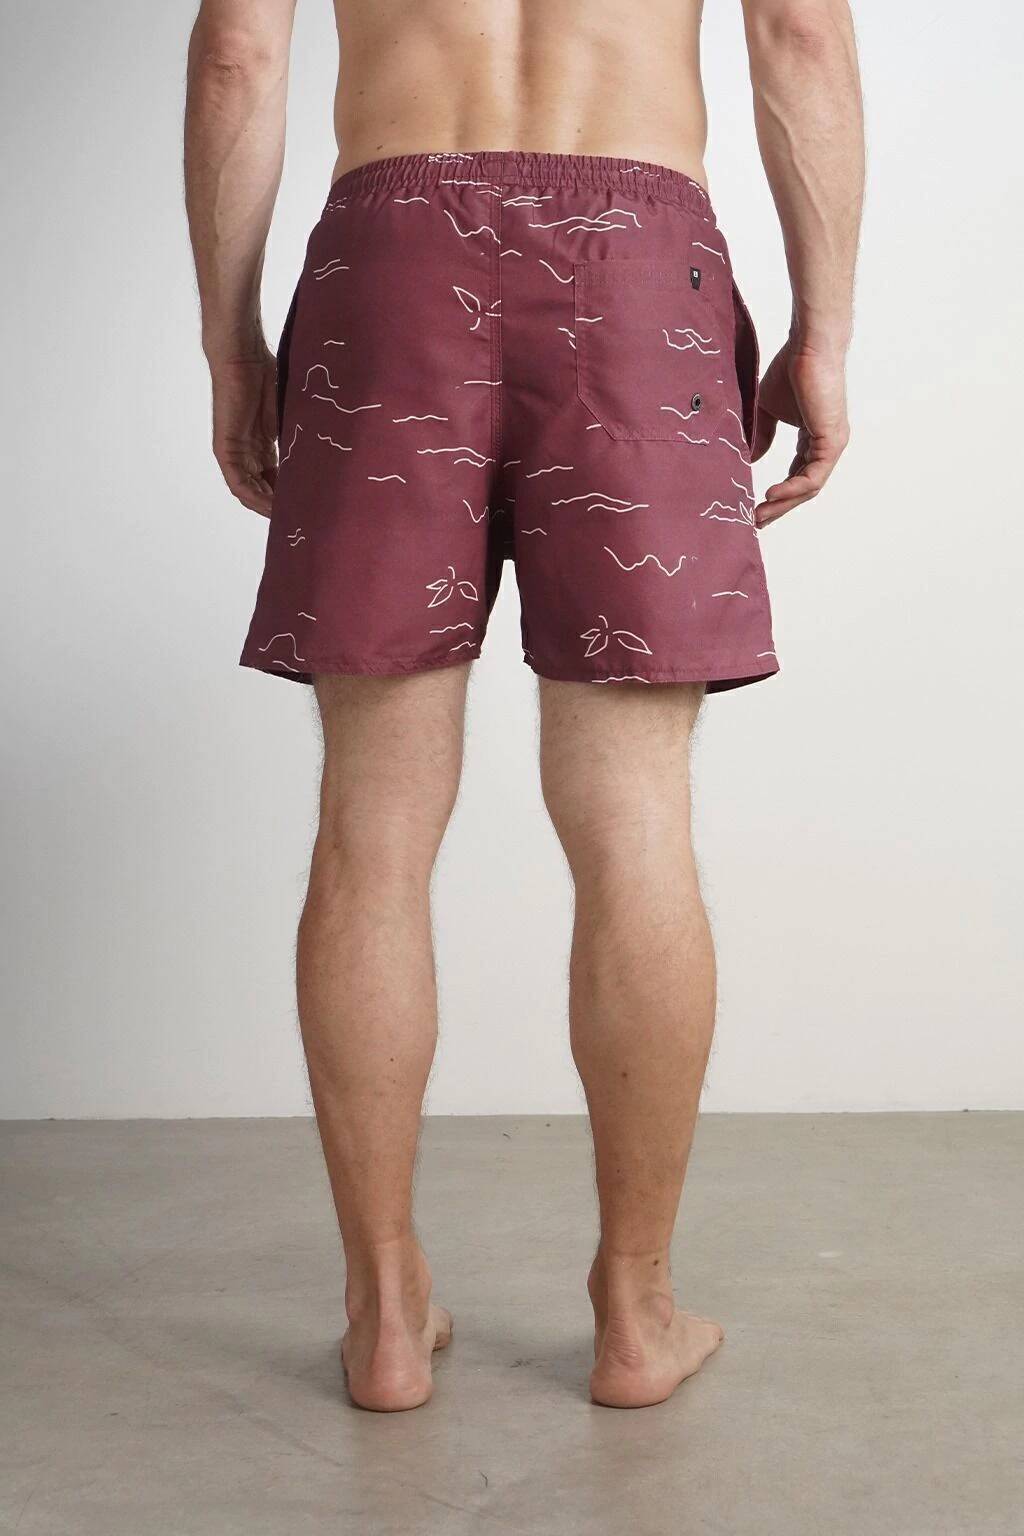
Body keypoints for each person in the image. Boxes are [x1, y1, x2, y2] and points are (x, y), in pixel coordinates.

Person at [184, 0, 864, 1412]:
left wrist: (233, 349)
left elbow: (240, 51)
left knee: (373, 831)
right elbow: (799, 34)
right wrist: (826, 332)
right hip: (638, 267)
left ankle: (383, 1312)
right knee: (635, 826)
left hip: (388, 262)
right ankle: (636, 1311)